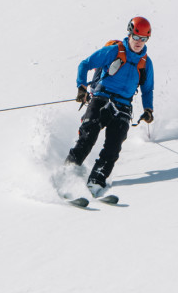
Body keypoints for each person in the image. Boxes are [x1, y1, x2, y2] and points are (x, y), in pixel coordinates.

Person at [65, 17, 155, 197]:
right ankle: (66, 175)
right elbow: (85, 64)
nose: (139, 42)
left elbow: (147, 89)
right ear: (129, 34)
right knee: (88, 137)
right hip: (101, 99)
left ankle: (96, 182)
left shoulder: (146, 62)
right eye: (136, 37)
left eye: (143, 39)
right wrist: (82, 87)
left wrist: (148, 109)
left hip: (123, 107)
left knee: (113, 147)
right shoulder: (114, 51)